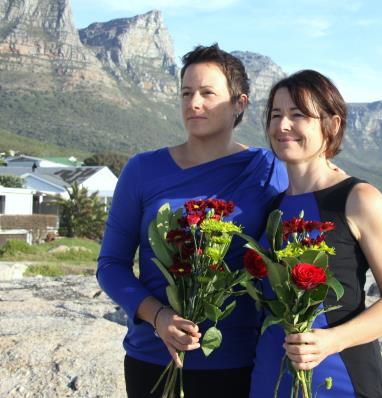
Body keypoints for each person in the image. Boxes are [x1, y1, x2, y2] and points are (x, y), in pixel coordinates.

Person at [97, 44, 288, 397]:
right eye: (186, 93)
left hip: (238, 363)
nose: (193, 103)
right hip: (153, 359)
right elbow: (111, 265)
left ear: (239, 104)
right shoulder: (143, 170)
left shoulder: (268, 170)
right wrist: (158, 317)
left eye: (207, 93)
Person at [250, 70, 382, 398]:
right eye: (275, 115)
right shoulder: (273, 209)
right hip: (271, 378)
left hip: (340, 377)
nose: (283, 126)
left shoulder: (359, 198)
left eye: (298, 115)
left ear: (332, 124)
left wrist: (331, 341)